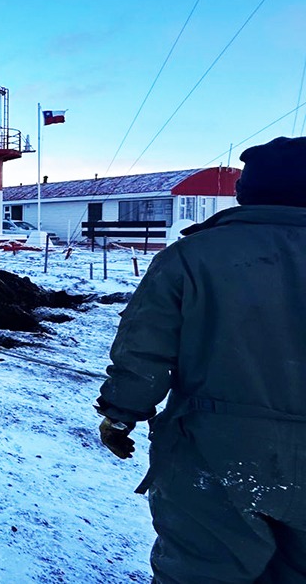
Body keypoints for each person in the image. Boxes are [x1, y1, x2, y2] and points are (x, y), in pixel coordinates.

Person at [96, 136, 306, 583]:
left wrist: (120, 413)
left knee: (202, 569)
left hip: (216, 451)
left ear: (247, 192)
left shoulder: (192, 257)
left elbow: (144, 348)